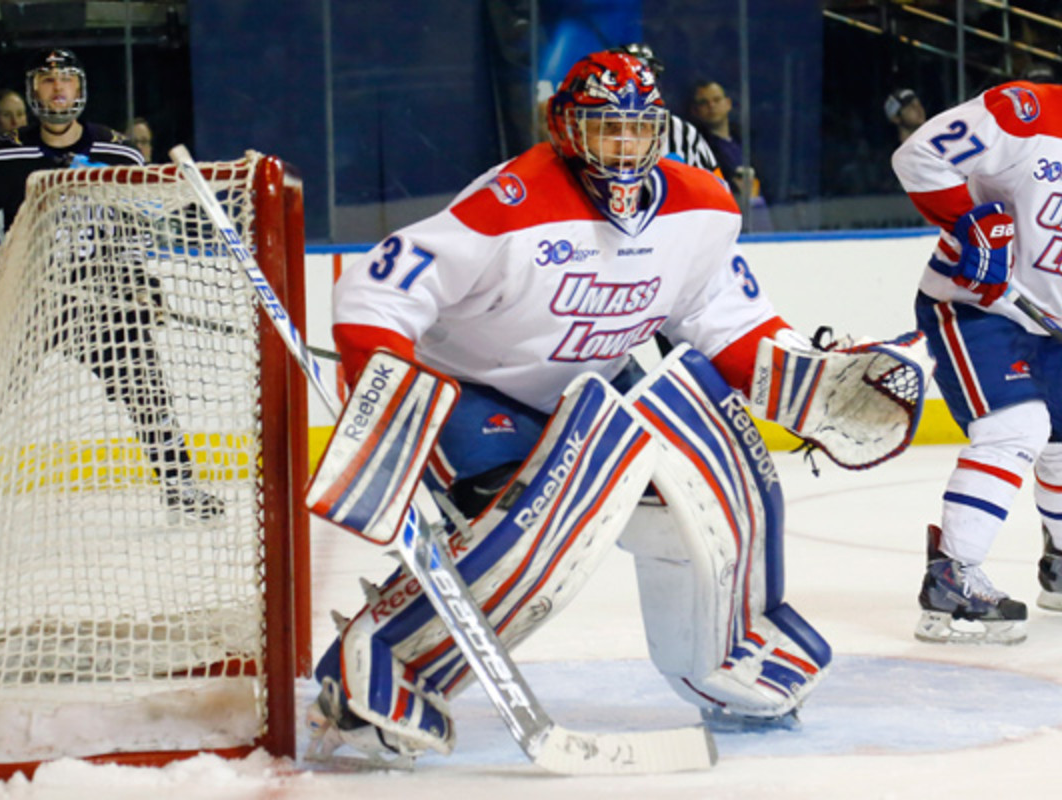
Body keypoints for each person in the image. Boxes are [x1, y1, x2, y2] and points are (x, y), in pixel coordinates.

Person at [304, 49, 929, 764]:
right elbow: (375, 292)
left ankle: (729, 655)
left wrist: (806, 379)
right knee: (525, 524)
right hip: (478, 391)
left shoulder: (701, 206)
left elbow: (726, 320)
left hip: (588, 389)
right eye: (606, 130)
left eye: (638, 130)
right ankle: (374, 674)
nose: (625, 148)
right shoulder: (512, 201)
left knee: (704, 487)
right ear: (565, 128)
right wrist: (385, 386)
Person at [891, 0, 1062, 646]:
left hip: (1054, 319)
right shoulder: (1021, 111)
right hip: (972, 304)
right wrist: (969, 219)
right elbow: (918, 157)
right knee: (1018, 427)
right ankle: (952, 577)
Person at [0, 48, 222, 520]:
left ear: (81, 89)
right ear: (32, 90)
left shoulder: (116, 151)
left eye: (66, 81)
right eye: (46, 81)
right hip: (23, 297)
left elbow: (134, 224)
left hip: (98, 296)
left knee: (147, 389)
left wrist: (141, 283)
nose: (57, 89)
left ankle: (180, 485)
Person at [609, 43, 719, 172]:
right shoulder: (594, 127)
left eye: (646, 78)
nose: (637, 87)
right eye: (628, 78)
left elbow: (717, 187)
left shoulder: (683, 133)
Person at [689, 79, 770, 230]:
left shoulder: (747, 141)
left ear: (728, 103)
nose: (711, 106)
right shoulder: (696, 149)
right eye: (703, 102)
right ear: (695, 111)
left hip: (761, 217)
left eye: (716, 100)